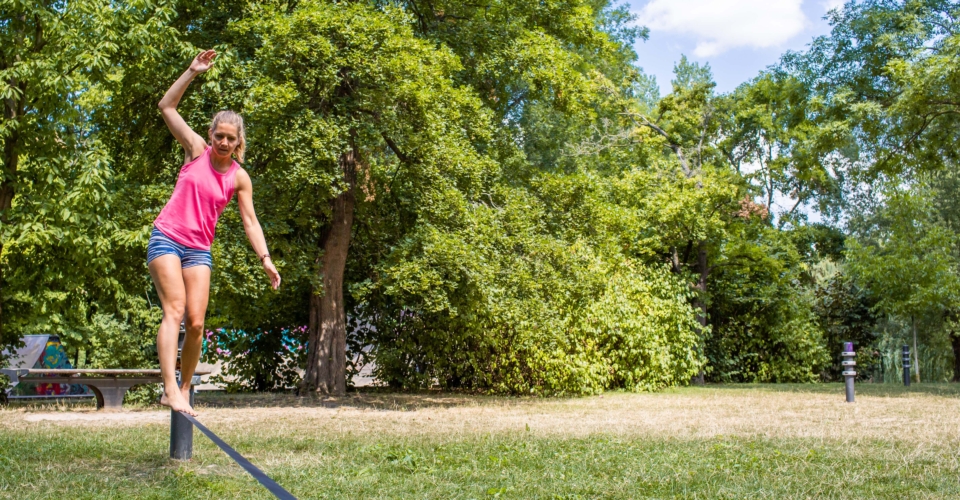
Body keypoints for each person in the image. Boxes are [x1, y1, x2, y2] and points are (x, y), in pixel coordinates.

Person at [150, 50, 280, 415]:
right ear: (211, 134)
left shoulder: (239, 177)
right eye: (218, 136)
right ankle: (170, 388)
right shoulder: (195, 151)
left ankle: (184, 389)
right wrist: (192, 71)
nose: (223, 143)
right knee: (174, 310)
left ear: (238, 142)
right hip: (167, 238)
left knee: (196, 322)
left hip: (198, 249)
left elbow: (250, 222)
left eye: (230, 139)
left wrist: (266, 260)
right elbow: (167, 107)